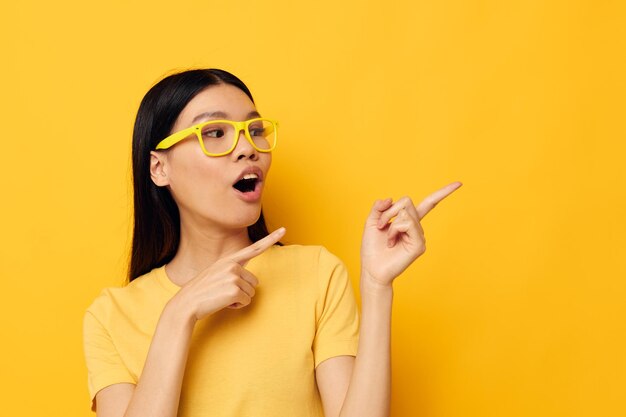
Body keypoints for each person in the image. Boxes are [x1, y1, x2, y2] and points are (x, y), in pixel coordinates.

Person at [82, 68, 462, 417]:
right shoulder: (111, 316)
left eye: (255, 130)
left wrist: (377, 286)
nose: (248, 148)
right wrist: (179, 314)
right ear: (159, 168)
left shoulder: (315, 274)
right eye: (215, 133)